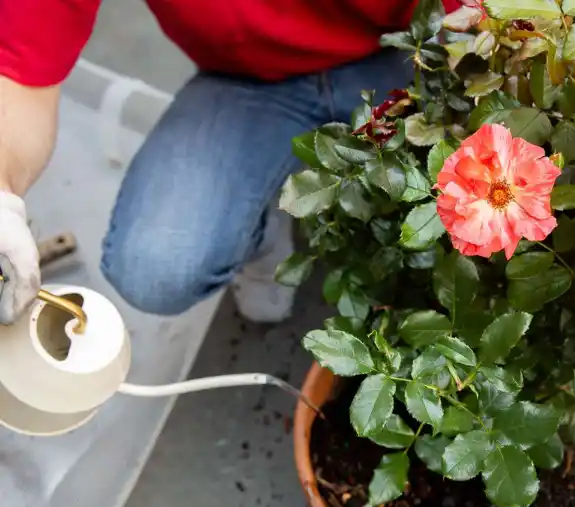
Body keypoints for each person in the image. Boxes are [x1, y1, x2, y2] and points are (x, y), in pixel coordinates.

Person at [0, 0, 459, 326]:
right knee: (156, 268)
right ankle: (262, 228)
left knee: (478, 216)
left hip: (404, 51)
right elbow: (17, 74)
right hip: (250, 79)